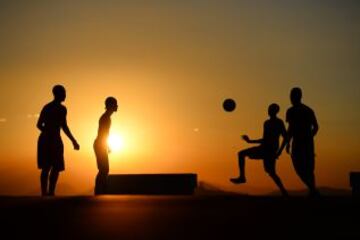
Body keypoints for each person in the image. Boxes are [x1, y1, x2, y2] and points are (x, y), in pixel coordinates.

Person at [230, 103, 288, 196]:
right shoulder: (266, 123)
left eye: (271, 109)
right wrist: (250, 141)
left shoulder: (279, 123)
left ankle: (284, 192)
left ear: (275, 111)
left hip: (270, 150)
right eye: (269, 109)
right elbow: (264, 139)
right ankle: (242, 177)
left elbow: (285, 137)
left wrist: (279, 152)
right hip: (264, 148)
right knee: (241, 154)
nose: (268, 111)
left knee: (271, 172)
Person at [37, 85, 80, 196]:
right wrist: (48, 133)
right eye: (64, 93)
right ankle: (44, 193)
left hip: (55, 140)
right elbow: (39, 124)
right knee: (47, 167)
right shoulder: (48, 107)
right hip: (48, 140)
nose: (65, 95)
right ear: (58, 94)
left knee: (56, 167)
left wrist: (73, 140)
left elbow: (64, 126)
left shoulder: (62, 109)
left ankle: (51, 192)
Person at [277, 87, 319, 197]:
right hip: (307, 143)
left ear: (297, 97)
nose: (291, 98)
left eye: (292, 96)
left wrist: (285, 145)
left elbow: (290, 130)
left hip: (299, 143)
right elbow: (316, 128)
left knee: (300, 168)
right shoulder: (308, 110)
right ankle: (313, 191)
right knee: (308, 169)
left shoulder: (291, 111)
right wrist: (310, 137)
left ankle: (313, 191)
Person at [94, 97, 118, 195]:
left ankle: (100, 191)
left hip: (101, 144)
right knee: (103, 169)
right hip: (100, 144)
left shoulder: (107, 117)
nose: (117, 106)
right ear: (110, 105)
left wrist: (107, 145)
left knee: (104, 169)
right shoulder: (105, 118)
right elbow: (103, 134)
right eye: (115, 104)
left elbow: (105, 134)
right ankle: (99, 192)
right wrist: (106, 145)